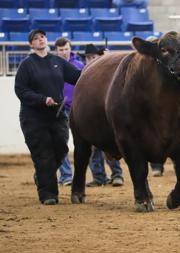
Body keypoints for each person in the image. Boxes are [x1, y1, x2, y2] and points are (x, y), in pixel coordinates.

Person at [14, 29, 81, 205]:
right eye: (36, 39)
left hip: (57, 116)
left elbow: (79, 77)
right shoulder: (27, 65)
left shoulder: (57, 61)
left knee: (61, 150)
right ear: (31, 44)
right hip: (33, 117)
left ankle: (41, 174)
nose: (40, 40)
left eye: (42, 37)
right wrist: (42, 100)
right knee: (43, 154)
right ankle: (48, 194)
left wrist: (98, 63)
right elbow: (21, 90)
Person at [78, 43, 124, 187]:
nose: (90, 60)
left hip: (105, 115)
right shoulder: (84, 73)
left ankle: (117, 175)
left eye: (93, 57)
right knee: (93, 148)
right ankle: (99, 177)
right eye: (88, 58)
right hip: (91, 116)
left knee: (109, 145)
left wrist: (109, 59)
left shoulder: (104, 72)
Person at [55, 37, 85, 186]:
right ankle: (66, 176)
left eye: (66, 49)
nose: (64, 52)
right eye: (61, 50)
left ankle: (99, 176)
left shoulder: (79, 65)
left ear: (70, 48)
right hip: (60, 110)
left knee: (85, 143)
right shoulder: (53, 66)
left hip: (77, 110)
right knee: (61, 143)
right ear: (57, 51)